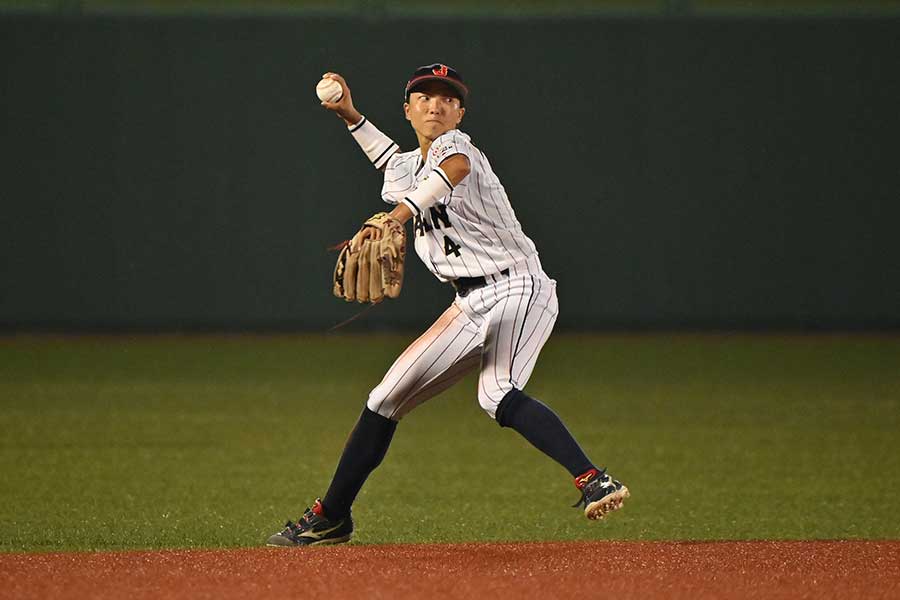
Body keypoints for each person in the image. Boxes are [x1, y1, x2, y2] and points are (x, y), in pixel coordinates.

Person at [267, 63, 629, 547]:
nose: (434, 105)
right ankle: (332, 515)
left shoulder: (457, 148)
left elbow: (449, 173)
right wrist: (349, 114)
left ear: (459, 112)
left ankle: (592, 479)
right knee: (384, 398)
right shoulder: (406, 168)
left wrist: (398, 215)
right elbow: (387, 159)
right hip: (468, 302)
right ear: (408, 110)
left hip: (519, 286)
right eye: (423, 97)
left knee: (496, 392)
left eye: (446, 99)